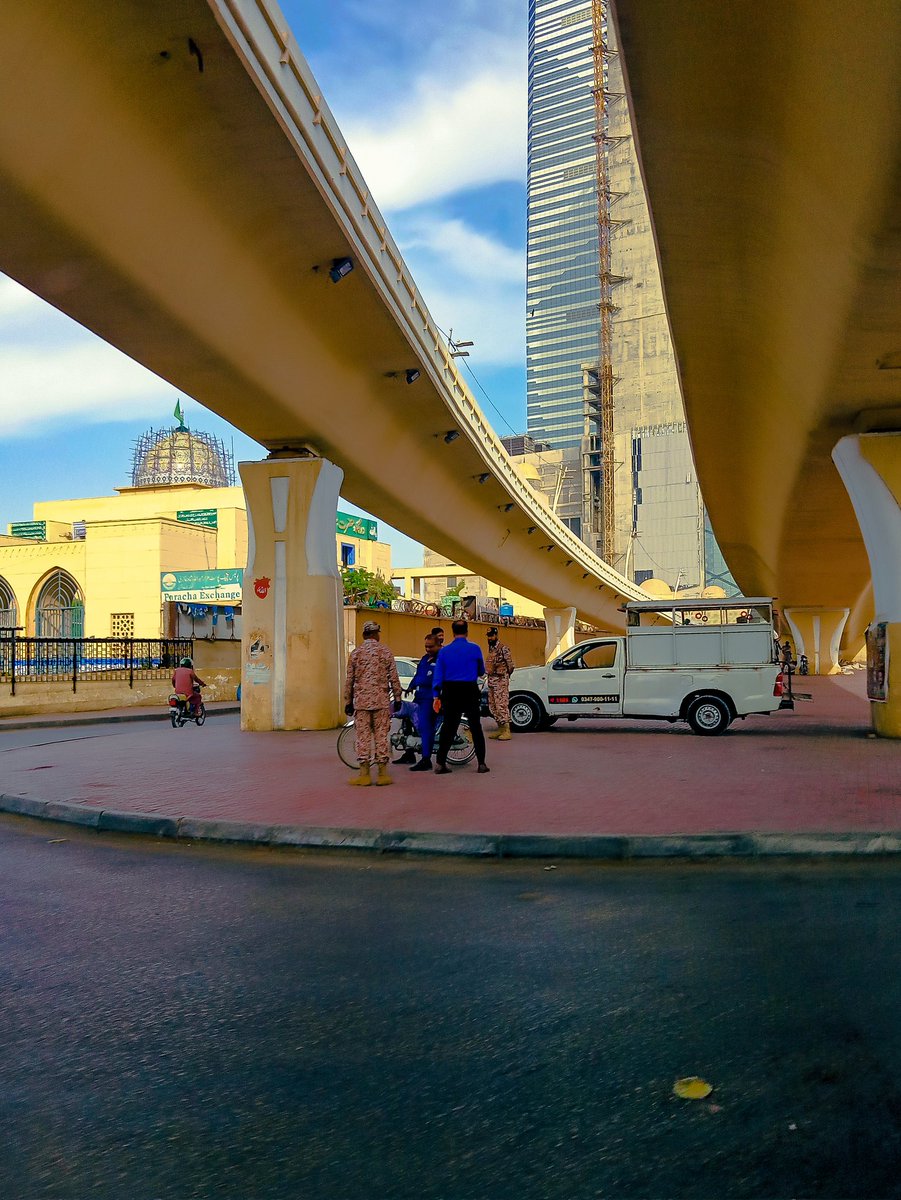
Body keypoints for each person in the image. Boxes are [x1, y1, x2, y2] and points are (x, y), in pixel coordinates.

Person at [343, 621, 402, 787]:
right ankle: (382, 774)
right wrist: (397, 698)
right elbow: (394, 678)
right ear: (377, 634)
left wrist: (348, 701)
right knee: (381, 736)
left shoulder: (356, 654)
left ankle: (364, 775)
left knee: (363, 738)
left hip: (361, 703)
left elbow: (349, 680)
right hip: (381, 702)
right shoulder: (385, 652)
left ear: (364, 635)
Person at [432, 618, 488, 775]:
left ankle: (440, 763)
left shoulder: (444, 651)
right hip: (469, 690)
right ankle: (481, 763)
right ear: (467, 632)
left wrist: (436, 696)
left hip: (450, 691)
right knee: (475, 727)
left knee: (449, 727)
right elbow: (481, 671)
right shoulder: (475, 649)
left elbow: (438, 676)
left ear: (453, 632)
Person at [406, 633, 440, 772]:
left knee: (426, 727)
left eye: (431, 647)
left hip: (430, 698)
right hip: (419, 695)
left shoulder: (441, 659)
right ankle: (408, 753)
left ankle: (426, 759)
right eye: (426, 646)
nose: (427, 649)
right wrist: (410, 686)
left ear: (438, 645)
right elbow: (418, 675)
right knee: (407, 720)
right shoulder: (425, 659)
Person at [485, 627, 515, 740]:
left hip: (500, 681)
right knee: (493, 706)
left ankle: (507, 730)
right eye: (488, 636)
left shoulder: (503, 648)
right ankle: (500, 729)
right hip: (492, 681)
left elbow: (510, 666)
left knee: (501, 705)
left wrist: (504, 677)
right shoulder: (492, 649)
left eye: (492, 635)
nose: (490, 638)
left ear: (496, 635)